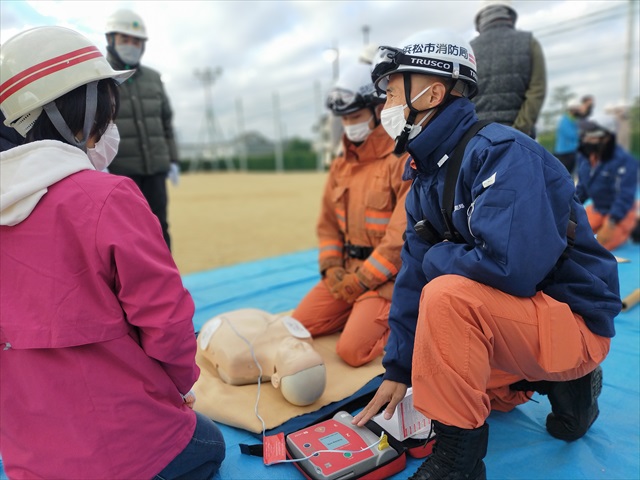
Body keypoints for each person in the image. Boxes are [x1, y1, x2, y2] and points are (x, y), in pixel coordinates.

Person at [352, 29, 620, 480]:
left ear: (432, 92)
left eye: (393, 91)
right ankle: (553, 382)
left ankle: (459, 464)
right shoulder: (425, 176)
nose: (385, 108)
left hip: (573, 323)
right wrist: (398, 369)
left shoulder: (502, 154)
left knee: (447, 298)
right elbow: (410, 277)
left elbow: (509, 269)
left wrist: (437, 258)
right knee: (435, 364)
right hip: (526, 321)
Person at [0, 26, 225, 479]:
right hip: (129, 452)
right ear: (75, 114)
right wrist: (181, 386)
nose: (106, 128)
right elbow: (167, 322)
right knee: (210, 441)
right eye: (101, 114)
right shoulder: (105, 198)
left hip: (30, 459)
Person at [291, 62, 411, 367]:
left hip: (389, 280)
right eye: (344, 119)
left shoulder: (403, 160)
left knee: (352, 352)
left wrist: (363, 281)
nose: (349, 125)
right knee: (298, 326)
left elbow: (400, 238)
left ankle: (403, 319)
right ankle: (360, 312)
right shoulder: (341, 165)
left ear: (379, 109)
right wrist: (331, 269)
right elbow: (328, 226)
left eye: (355, 117)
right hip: (346, 272)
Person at [104, 9, 180, 250]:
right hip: (120, 172)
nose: (131, 45)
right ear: (110, 40)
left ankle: (168, 285)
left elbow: (166, 122)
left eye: (136, 41)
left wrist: (172, 159)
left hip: (155, 170)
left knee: (160, 229)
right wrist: (98, 163)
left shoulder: (154, 78)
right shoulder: (100, 76)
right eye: (125, 39)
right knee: (125, 235)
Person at [198, 309, 326, 406]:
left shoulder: (236, 358)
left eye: (294, 356)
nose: (299, 345)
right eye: (307, 350)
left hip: (218, 324)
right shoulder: (302, 336)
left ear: (276, 379)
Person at [470, 0, 546, 138]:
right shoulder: (529, 42)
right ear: (510, 16)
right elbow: (537, 90)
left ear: (480, 20)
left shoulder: (469, 50)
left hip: (478, 138)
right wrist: (519, 130)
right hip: (520, 139)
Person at [575, 116, 639, 251]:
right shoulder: (585, 158)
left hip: (619, 213)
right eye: (584, 135)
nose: (585, 139)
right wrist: (570, 209)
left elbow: (624, 196)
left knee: (599, 247)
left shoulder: (625, 161)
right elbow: (581, 189)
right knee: (571, 234)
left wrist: (612, 222)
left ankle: (633, 225)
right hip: (598, 208)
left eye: (591, 135)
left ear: (606, 137)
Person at [553, 98, 583, 175]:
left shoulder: (574, 120)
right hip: (565, 153)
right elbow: (572, 135)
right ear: (573, 110)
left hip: (572, 152)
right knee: (566, 176)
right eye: (578, 109)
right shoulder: (565, 121)